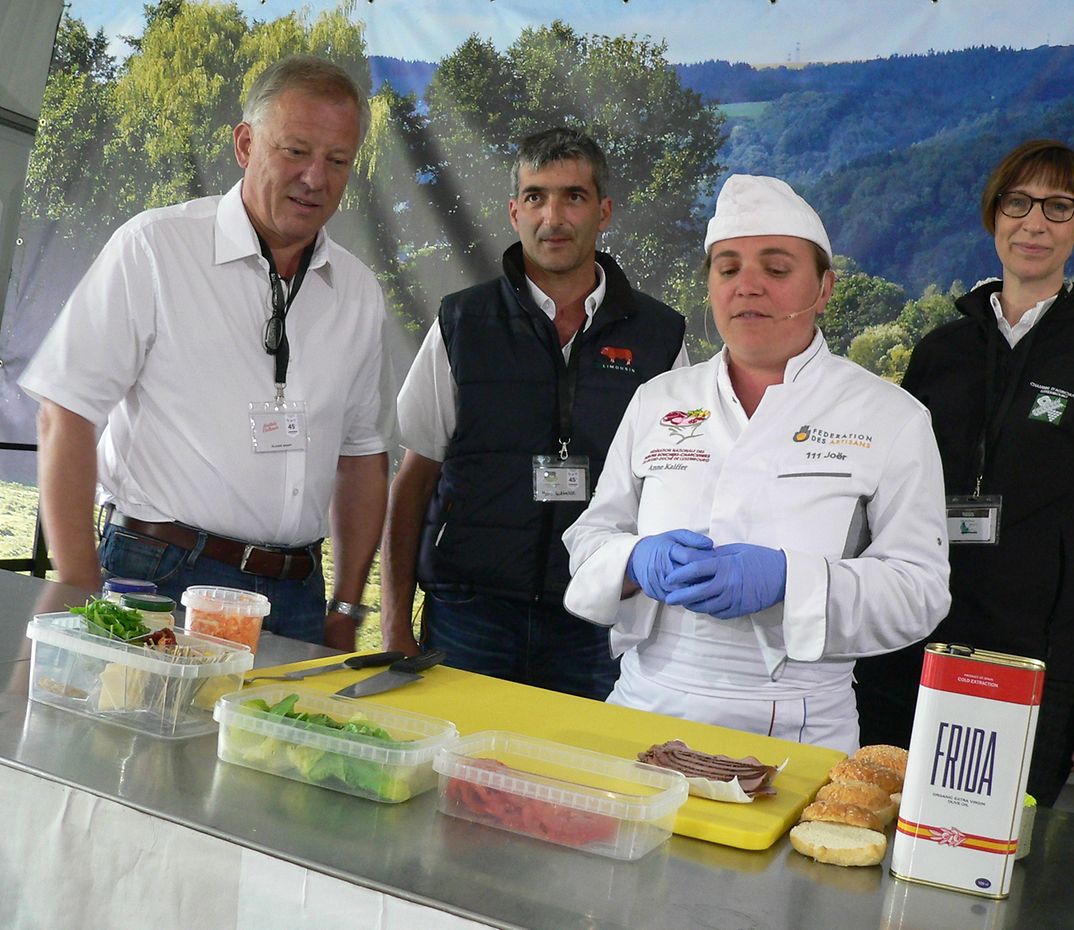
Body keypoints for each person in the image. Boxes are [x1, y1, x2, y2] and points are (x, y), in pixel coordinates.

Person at [561, 174, 951, 751]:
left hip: (795, 724)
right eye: (728, 268)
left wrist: (790, 581)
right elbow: (592, 536)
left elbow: (920, 590)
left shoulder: (889, 417)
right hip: (645, 702)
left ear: (823, 289)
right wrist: (634, 560)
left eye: (776, 269)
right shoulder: (659, 400)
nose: (748, 287)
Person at [20, 55, 390, 652]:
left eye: (337, 160)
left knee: (271, 748)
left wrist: (346, 604)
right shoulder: (155, 248)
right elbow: (66, 411)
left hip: (295, 593)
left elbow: (363, 456)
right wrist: (78, 581)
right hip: (158, 575)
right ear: (246, 144)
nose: (315, 178)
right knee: (134, 742)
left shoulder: (357, 291)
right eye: (295, 151)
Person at [853, 140, 1074, 805]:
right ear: (993, 216)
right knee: (864, 832)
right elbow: (886, 505)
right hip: (902, 655)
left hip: (1026, 667)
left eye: (1059, 207)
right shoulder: (940, 353)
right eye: (1018, 203)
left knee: (985, 865)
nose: (1035, 223)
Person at [381, 127, 688, 700]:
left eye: (573, 196)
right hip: (471, 615)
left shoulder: (660, 338)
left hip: (597, 625)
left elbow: (675, 487)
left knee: (581, 782)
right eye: (536, 197)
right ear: (514, 212)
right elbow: (414, 479)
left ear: (604, 211)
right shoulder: (461, 325)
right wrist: (394, 622)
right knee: (455, 780)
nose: (554, 216)